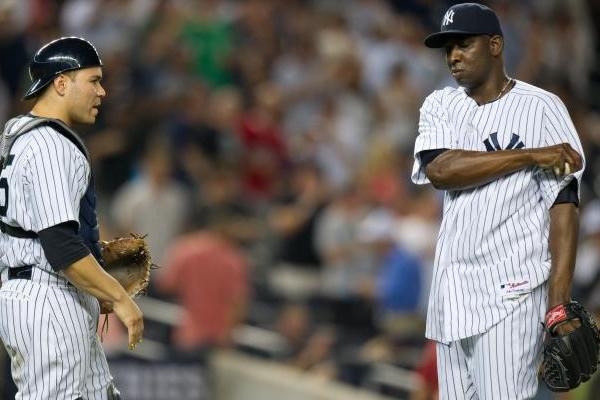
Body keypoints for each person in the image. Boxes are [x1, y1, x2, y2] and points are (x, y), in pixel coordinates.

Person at [412, 3, 585, 399]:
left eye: (464, 44)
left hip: (514, 292)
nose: (453, 56)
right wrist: (529, 155)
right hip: (451, 296)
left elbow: (564, 203)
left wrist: (557, 303)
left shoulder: (542, 107)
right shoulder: (439, 105)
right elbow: (441, 170)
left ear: (494, 45)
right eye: (447, 48)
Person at [0, 37, 143, 400]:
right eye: (93, 80)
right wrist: (120, 298)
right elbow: (62, 247)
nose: (103, 91)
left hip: (47, 289)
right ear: (61, 83)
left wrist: (94, 274)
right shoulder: (50, 145)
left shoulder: (19, 135)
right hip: (48, 297)